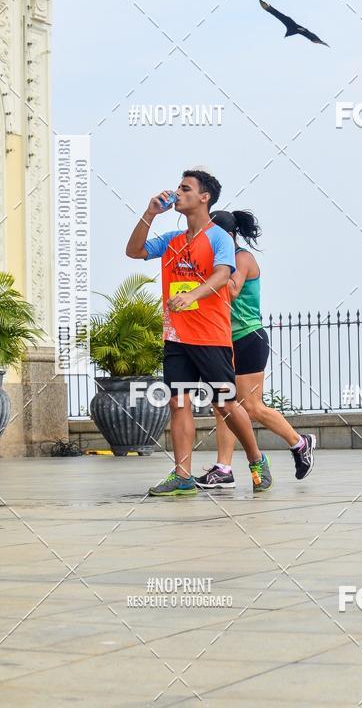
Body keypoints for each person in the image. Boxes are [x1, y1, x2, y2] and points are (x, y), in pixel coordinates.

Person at [125, 169, 272, 494]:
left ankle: (256, 459)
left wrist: (191, 295)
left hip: (211, 335)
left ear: (204, 197)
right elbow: (134, 251)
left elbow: (222, 274)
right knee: (178, 403)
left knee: (225, 404)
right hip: (176, 336)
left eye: (185, 188)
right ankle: (182, 475)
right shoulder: (172, 241)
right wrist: (150, 213)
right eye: (178, 186)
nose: (178, 192)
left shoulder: (218, 237)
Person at [193, 209, 316, 489]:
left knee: (251, 406)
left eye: (213, 235)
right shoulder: (217, 261)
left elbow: (233, 290)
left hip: (248, 337)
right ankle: (223, 469)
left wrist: (207, 279)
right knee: (222, 405)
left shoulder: (242, 258)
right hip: (223, 340)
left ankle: (300, 443)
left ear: (229, 236)